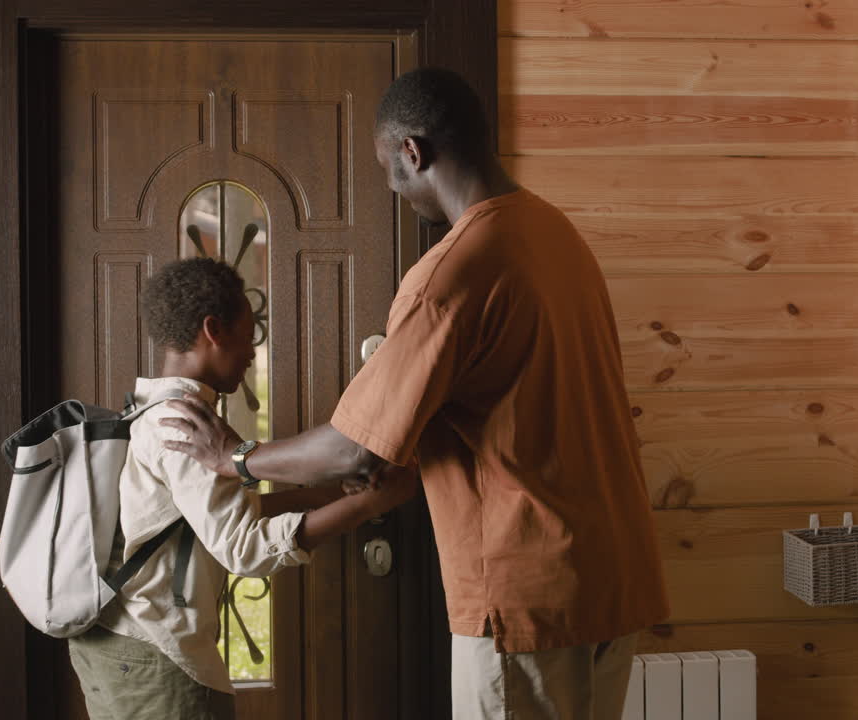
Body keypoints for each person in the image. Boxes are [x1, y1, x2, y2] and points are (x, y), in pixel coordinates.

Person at [159, 67, 670, 719]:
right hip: (613, 575)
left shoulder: (453, 273)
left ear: (413, 151)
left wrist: (235, 458)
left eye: (387, 169)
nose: (392, 187)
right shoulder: (554, 234)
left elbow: (353, 449)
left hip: (527, 591)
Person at [67, 257, 416, 720]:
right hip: (156, 655)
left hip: (117, 641)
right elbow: (244, 549)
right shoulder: (183, 424)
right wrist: (374, 502)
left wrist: (327, 495)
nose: (253, 353)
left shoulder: (152, 408)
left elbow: (204, 520)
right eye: (248, 335)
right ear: (213, 330)